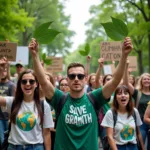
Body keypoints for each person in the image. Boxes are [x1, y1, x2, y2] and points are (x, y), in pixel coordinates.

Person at [29, 37, 133, 150]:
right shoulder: (59, 98)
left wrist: (124, 55)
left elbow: (115, 81)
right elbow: (43, 81)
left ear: (86, 78)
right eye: (72, 76)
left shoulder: (95, 98)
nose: (76, 79)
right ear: (67, 79)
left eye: (80, 76)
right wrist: (35, 56)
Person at [0, 58, 53, 150]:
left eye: (31, 81)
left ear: (36, 84)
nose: (27, 84)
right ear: (20, 84)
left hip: (36, 147)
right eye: (24, 81)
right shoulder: (12, 102)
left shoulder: (44, 105)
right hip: (14, 147)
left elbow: (46, 133)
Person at [101, 85, 145, 150]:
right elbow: (110, 137)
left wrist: (143, 148)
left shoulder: (134, 112)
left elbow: (138, 133)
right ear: (115, 97)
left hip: (133, 147)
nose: (123, 95)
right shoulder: (110, 113)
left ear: (129, 97)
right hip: (118, 147)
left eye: (126, 93)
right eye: (119, 93)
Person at [0, 65, 15, 145]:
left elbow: (13, 102)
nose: (3, 72)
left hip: (8, 117)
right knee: (1, 140)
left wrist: (10, 117)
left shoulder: (11, 85)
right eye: (2, 71)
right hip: (0, 117)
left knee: (8, 139)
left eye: (5, 70)